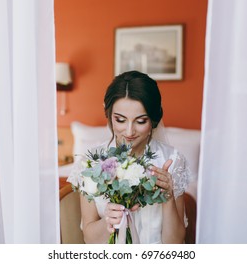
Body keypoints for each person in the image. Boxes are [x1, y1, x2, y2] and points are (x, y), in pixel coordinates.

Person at [68, 70, 190, 244]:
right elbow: (90, 240)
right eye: (120, 120)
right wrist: (108, 221)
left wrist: (168, 197)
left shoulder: (171, 160)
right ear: (109, 115)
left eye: (140, 121)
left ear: (153, 120)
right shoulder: (91, 163)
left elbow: (175, 244)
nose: (129, 131)